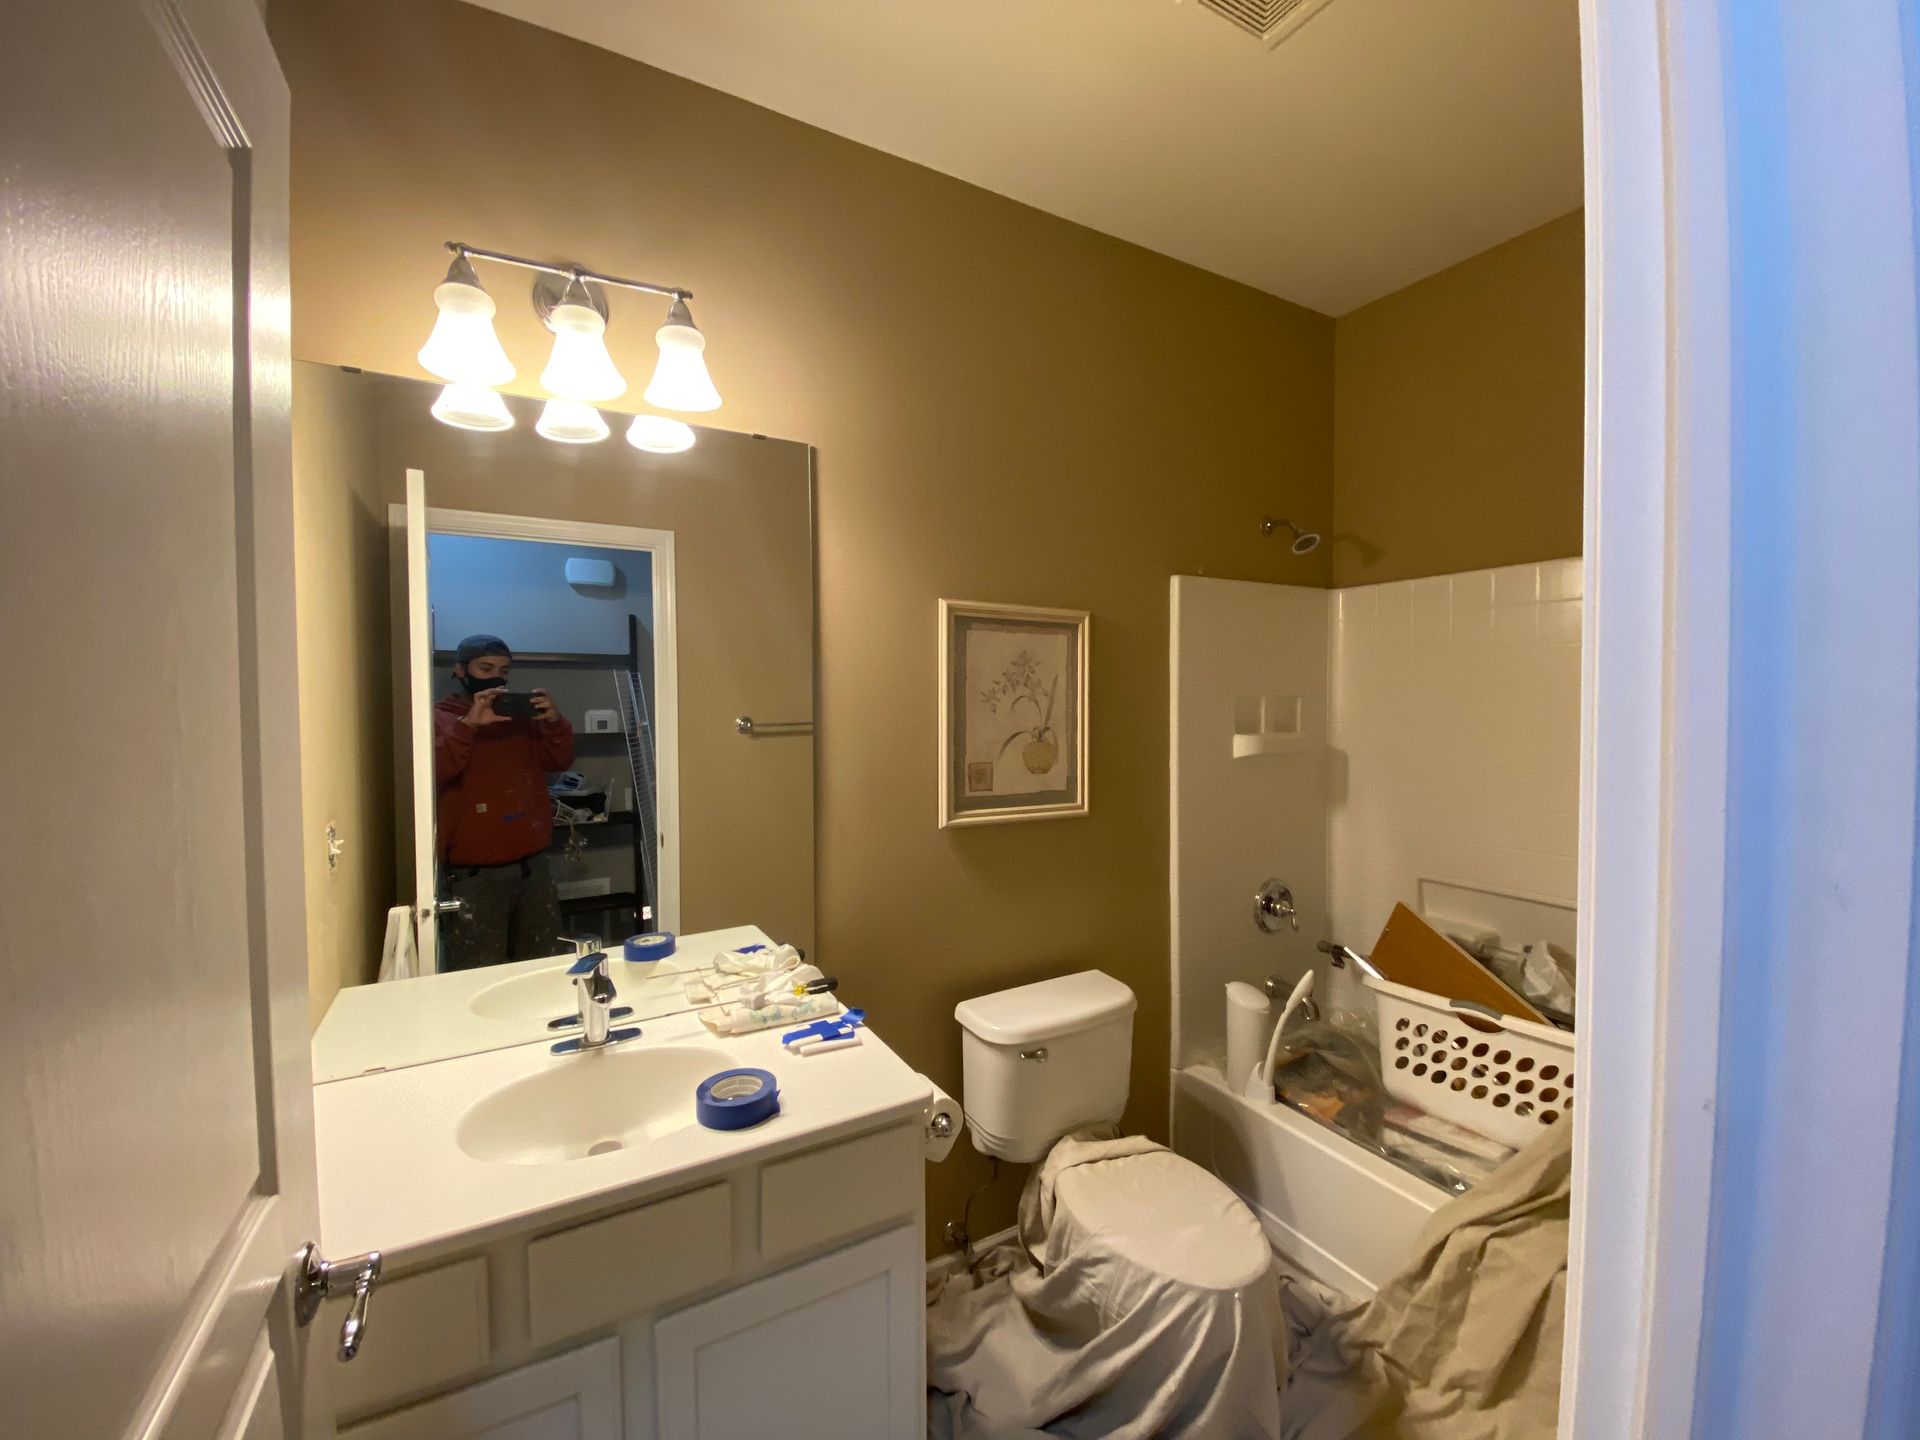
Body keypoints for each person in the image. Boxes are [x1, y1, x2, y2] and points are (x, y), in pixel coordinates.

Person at [433, 634, 575, 970]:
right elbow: (435, 771)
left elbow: (558, 760)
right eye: (485, 668)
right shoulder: (441, 718)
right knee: (479, 970)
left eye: (503, 670)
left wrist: (554, 722)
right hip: (473, 875)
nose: (496, 676)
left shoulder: (518, 718)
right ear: (460, 670)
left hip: (532, 865)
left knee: (542, 965)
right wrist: (469, 725)